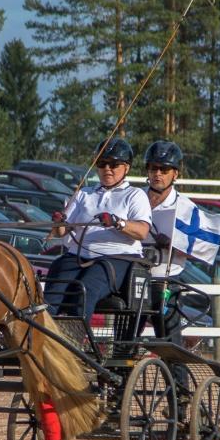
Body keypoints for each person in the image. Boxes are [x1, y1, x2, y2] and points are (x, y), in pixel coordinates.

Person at [43, 138, 151, 320]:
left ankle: (75, 340)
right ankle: (44, 337)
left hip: (116, 258)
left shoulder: (135, 195)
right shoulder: (85, 193)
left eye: (114, 164)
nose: (107, 169)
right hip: (78, 255)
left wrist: (118, 222)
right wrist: (59, 222)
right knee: (53, 289)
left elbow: (142, 231)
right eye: (102, 164)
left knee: (84, 289)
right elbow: (61, 233)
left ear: (126, 168)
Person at [142, 140, 195, 345]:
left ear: (175, 174)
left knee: (169, 338)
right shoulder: (135, 199)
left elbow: (197, 250)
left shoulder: (186, 207)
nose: (158, 174)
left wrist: (172, 244)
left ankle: (178, 377)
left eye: (164, 169)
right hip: (135, 277)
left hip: (167, 279)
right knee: (126, 335)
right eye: (153, 168)